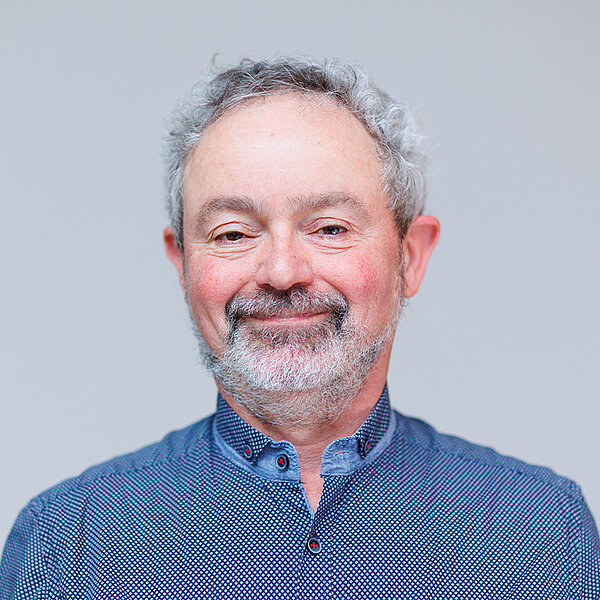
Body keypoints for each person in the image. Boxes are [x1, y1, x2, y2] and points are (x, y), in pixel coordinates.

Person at [1, 56, 599, 600]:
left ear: (410, 257)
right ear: (182, 264)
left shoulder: (544, 532)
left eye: (330, 228)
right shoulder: (64, 547)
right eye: (234, 233)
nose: (282, 272)